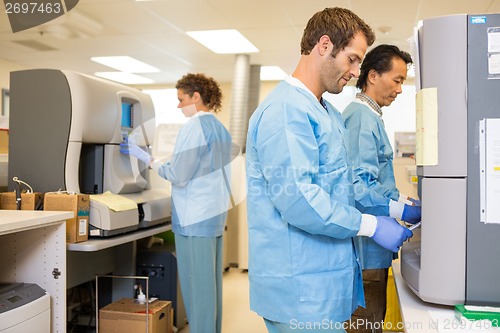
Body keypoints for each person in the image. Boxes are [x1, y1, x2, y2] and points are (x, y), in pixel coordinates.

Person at [245, 8, 413, 333]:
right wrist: (370, 225)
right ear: (324, 45)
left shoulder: (328, 113)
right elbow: (300, 201)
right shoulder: (285, 109)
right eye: (351, 59)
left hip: (326, 284)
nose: (354, 72)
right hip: (300, 290)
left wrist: (390, 210)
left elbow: (346, 187)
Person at [121, 73, 233, 333]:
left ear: (196, 96)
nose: (179, 105)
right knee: (210, 289)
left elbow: (179, 174)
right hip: (213, 218)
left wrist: (147, 159)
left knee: (197, 292)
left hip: (194, 219)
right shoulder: (220, 128)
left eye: (181, 99)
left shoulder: (194, 127)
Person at [341, 45, 421, 333]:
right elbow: (358, 188)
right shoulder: (360, 118)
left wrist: (401, 200)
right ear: (373, 75)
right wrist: (401, 209)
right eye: (397, 80)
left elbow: (377, 181)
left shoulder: (371, 117)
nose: (400, 89)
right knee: (365, 325)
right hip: (366, 256)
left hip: (374, 254)